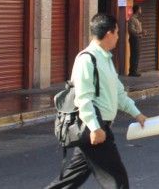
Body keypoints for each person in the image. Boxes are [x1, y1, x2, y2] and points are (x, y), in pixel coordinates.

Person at [45, 13, 147, 189]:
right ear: (108, 33)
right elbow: (83, 97)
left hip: (99, 128)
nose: (118, 37)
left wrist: (137, 114)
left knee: (71, 179)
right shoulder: (87, 59)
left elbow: (119, 93)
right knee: (117, 181)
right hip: (95, 128)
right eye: (116, 32)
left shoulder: (105, 59)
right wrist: (95, 127)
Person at [128, 5, 146, 77]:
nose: (141, 11)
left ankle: (134, 71)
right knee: (134, 56)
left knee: (136, 55)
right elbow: (131, 30)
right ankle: (132, 72)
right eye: (140, 9)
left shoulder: (136, 19)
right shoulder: (132, 19)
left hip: (137, 39)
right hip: (134, 39)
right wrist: (140, 32)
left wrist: (142, 32)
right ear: (137, 10)